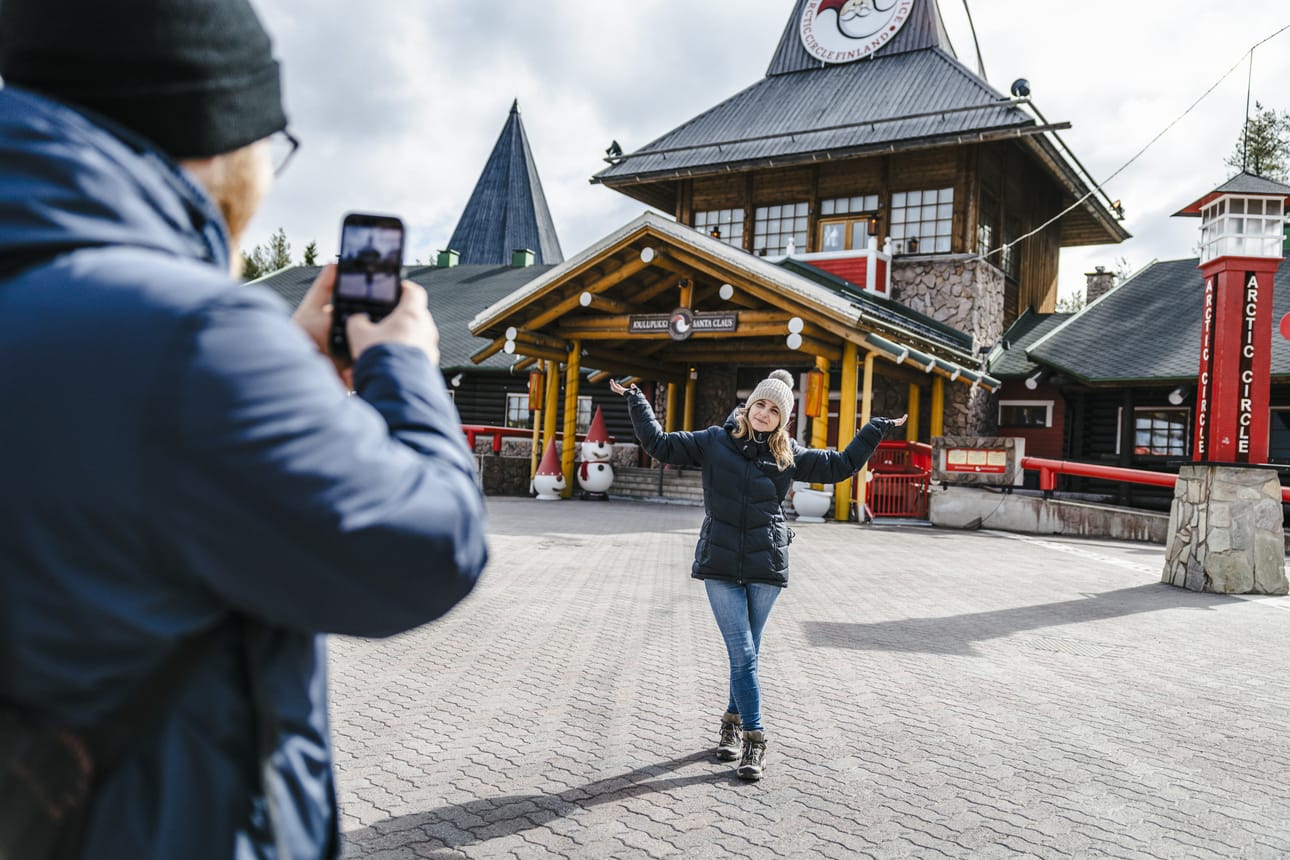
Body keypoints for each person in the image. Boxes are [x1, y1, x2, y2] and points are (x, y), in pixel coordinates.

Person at [0, 1, 488, 857]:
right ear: (219, 138)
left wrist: (279, 373)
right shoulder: (192, 338)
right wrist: (403, 361)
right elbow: (427, 547)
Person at [611, 370, 906, 781]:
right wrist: (637, 398)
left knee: (746, 652)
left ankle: (730, 724)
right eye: (760, 404)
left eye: (775, 409)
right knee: (744, 652)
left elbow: (840, 466)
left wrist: (874, 429)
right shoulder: (714, 441)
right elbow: (659, 444)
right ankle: (755, 739)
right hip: (719, 562)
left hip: (765, 564)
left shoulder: (788, 454)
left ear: (784, 418)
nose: (765, 413)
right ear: (749, 407)